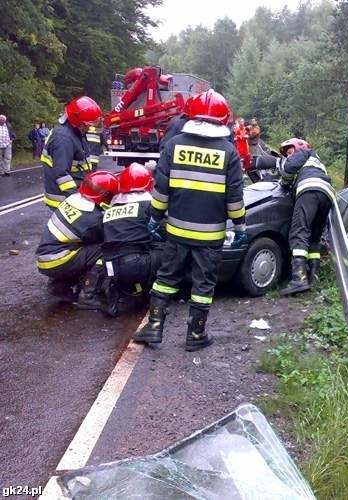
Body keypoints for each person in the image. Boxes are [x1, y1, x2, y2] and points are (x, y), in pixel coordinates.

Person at [134, 89, 248, 349]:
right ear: (222, 119)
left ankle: (154, 328)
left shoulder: (174, 146)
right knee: (203, 283)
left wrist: (154, 220)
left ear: (191, 116)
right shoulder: (229, 152)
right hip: (211, 236)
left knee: (166, 277)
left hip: (176, 231)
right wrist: (240, 226)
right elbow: (234, 198)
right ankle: (195, 335)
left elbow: (161, 191)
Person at [35, 170, 119, 308]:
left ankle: (58, 285)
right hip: (59, 260)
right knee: (107, 249)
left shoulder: (73, 199)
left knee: (79, 249)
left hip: (45, 258)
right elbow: (107, 237)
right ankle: (88, 295)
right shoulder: (92, 219)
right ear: (103, 194)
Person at [101, 163, 164, 317]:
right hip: (135, 265)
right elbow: (163, 230)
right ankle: (159, 296)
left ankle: (114, 292)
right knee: (171, 248)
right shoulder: (149, 205)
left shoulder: (111, 207)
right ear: (149, 184)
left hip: (110, 267)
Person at [278, 138, 335, 295]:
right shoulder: (317, 161)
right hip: (327, 194)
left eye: (290, 152)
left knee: (299, 232)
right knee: (314, 237)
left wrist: (284, 182)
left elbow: (288, 169)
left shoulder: (304, 153)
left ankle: (299, 279)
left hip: (309, 189)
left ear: (298, 148)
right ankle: (313, 276)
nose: (289, 156)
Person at [41, 96, 102, 209]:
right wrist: (77, 198)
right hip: (62, 199)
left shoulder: (75, 132)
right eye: (88, 125)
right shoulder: (64, 139)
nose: (90, 128)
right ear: (78, 121)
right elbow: (62, 175)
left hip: (70, 194)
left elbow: (81, 167)